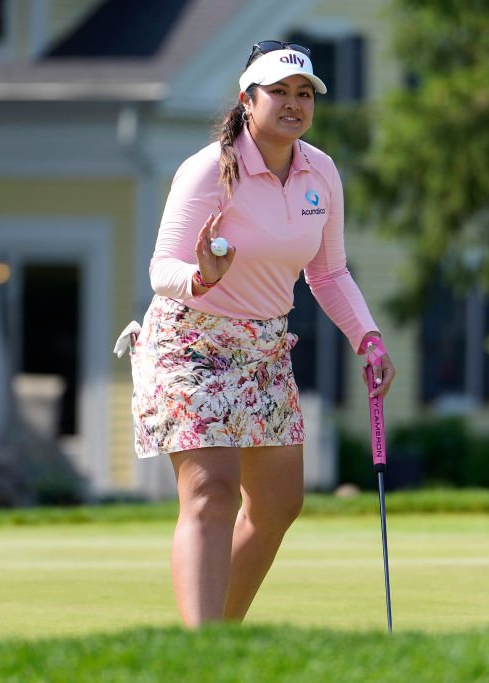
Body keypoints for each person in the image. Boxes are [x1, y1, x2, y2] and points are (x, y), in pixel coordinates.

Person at [129, 40, 395, 627]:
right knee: (212, 492)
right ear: (247, 101)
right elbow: (161, 269)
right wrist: (202, 277)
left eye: (304, 93)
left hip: (265, 348)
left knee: (277, 504)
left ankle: (218, 637)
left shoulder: (321, 171)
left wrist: (368, 338)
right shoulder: (208, 170)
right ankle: (202, 647)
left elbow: (328, 273)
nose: (294, 103)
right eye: (278, 92)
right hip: (190, 343)